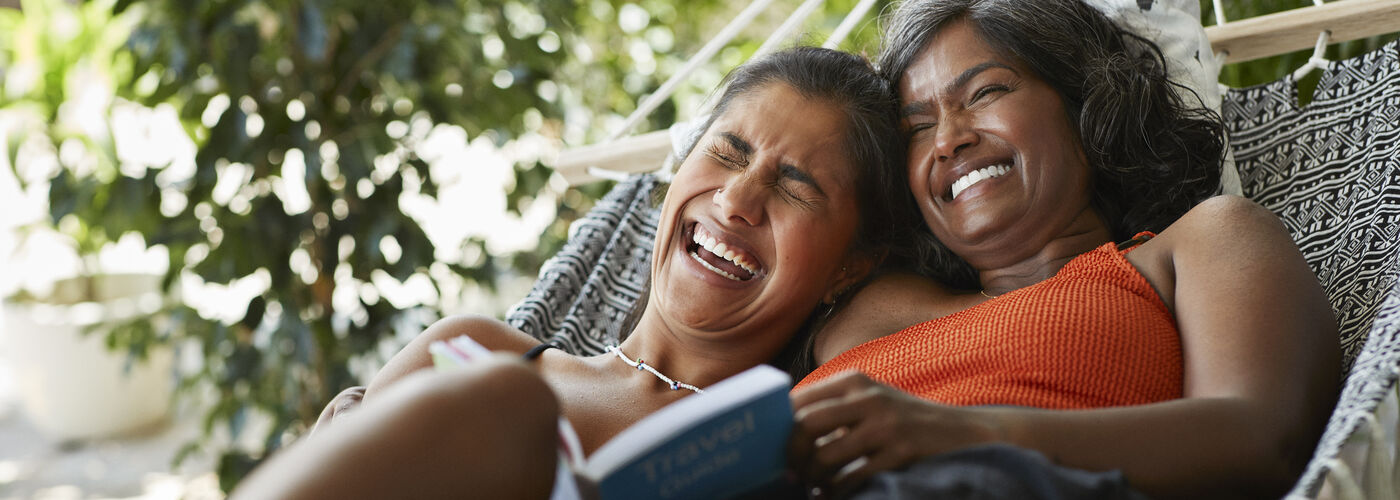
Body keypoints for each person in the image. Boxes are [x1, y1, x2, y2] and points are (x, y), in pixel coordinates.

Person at [229, 46, 913, 498]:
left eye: (795, 187)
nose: (736, 201)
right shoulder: (477, 348)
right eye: (726, 155)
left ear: (851, 266)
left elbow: (1009, 306)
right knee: (506, 399)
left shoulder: (780, 448)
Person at [786, 0, 1341, 498]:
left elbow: (1261, 439)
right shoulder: (857, 303)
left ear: (1086, 104)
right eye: (916, 128)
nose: (948, 139)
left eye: (986, 93)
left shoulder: (1196, 244)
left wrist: (971, 433)